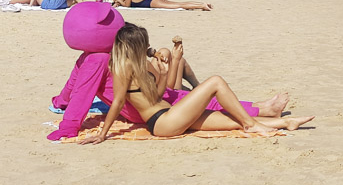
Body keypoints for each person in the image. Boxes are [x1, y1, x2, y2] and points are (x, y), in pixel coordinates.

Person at [78, 23, 313, 143]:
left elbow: (157, 95)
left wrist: (162, 72)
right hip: (161, 123)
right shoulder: (121, 68)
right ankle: (252, 125)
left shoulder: (144, 65)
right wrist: (103, 134)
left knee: (231, 121)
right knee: (215, 82)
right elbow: (118, 102)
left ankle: (286, 122)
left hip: (170, 114)